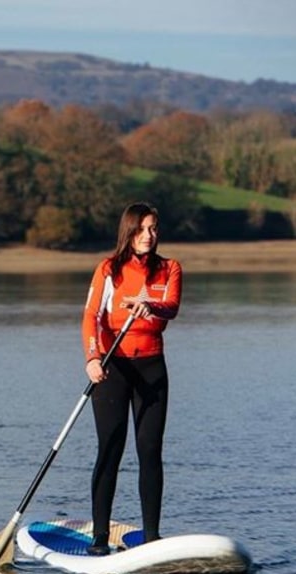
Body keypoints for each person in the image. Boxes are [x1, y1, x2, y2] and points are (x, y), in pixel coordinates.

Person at [81, 202, 182, 555]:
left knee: (150, 450)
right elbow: (92, 316)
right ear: (129, 232)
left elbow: (171, 306)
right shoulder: (109, 269)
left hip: (152, 369)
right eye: (141, 230)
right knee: (110, 450)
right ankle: (98, 537)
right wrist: (93, 357)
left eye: (153, 229)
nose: (148, 236)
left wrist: (151, 307)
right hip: (112, 368)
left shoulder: (169, 269)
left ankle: (152, 537)